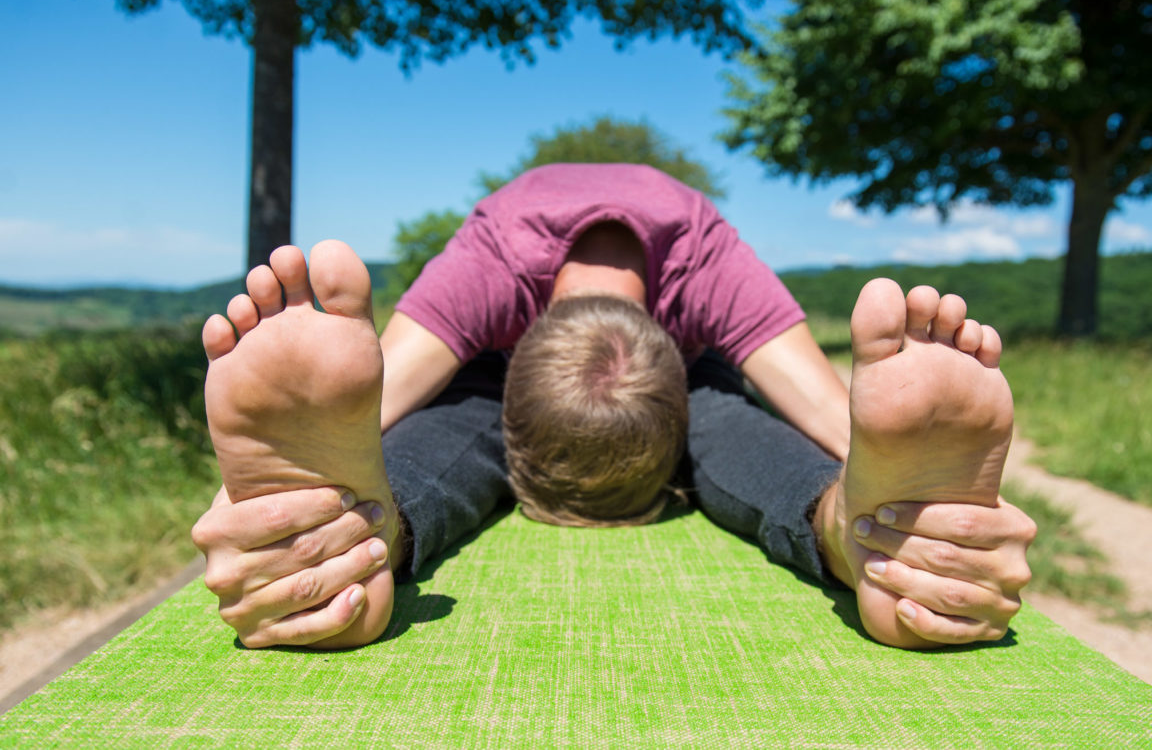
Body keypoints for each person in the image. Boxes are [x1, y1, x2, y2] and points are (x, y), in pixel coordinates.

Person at [192, 164, 1036, 651]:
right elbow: (364, 401)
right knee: (731, 430)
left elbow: (833, 404)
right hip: (505, 362)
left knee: (460, 431)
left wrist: (908, 487)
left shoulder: (707, 266)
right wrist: (278, 497)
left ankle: (374, 526)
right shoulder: (492, 260)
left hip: (680, 363)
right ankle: (845, 530)